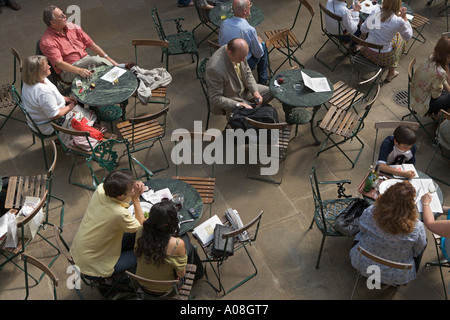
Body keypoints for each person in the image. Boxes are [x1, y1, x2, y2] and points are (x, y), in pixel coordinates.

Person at [70, 171, 146, 280]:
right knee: (146, 251)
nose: (135, 188)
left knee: (136, 238)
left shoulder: (101, 189)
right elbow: (142, 227)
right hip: (92, 265)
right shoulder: (119, 213)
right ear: (120, 195)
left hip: (82, 250)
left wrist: (133, 184)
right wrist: (135, 199)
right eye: (132, 188)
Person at [349, 181, 427, 285]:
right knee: (424, 242)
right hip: (397, 275)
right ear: (411, 204)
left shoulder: (370, 212)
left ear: (386, 196)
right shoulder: (417, 227)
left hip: (362, 263)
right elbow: (417, 250)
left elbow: (362, 230)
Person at [39, 5, 132, 83]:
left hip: (86, 60)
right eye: (61, 16)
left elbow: (91, 44)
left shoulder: (72, 27)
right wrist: (79, 71)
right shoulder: (47, 41)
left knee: (98, 65)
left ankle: (117, 73)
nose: (65, 16)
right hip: (69, 70)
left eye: (63, 13)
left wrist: (109, 58)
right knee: (96, 61)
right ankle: (122, 71)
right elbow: (59, 64)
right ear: (52, 22)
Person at [134, 199, 203, 294]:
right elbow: (181, 274)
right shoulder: (177, 244)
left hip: (142, 283)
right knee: (188, 245)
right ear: (168, 224)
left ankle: (199, 273)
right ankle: (198, 274)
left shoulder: (141, 230)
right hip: (166, 290)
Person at [206, 38, 273, 118]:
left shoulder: (239, 53)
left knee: (271, 92)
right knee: (253, 116)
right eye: (240, 58)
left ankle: (256, 112)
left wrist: (255, 92)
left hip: (244, 90)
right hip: (231, 98)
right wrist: (239, 104)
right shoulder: (215, 69)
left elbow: (248, 74)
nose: (244, 60)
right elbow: (215, 98)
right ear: (230, 53)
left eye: (245, 57)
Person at [21, 55, 78, 135]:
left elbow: (53, 94)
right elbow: (55, 115)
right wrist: (72, 105)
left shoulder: (34, 79)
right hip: (50, 125)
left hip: (38, 120)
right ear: (37, 72)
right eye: (45, 66)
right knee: (87, 113)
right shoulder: (42, 91)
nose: (49, 66)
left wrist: (65, 98)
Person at [359, 0, 412, 82]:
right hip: (383, 59)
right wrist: (405, 18)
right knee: (401, 39)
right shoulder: (399, 21)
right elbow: (408, 36)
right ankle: (391, 73)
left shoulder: (375, 12)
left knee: (394, 36)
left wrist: (376, 27)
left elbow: (363, 29)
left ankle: (391, 73)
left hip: (366, 51)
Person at [218, 0, 268, 85]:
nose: (251, 7)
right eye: (249, 5)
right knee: (263, 47)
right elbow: (258, 54)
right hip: (242, 65)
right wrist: (258, 43)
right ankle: (263, 80)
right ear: (245, 11)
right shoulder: (249, 30)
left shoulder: (224, 23)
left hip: (225, 60)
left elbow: (220, 42)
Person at [410, 35, 450, 117]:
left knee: (447, 94)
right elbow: (435, 95)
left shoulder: (431, 56)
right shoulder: (439, 73)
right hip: (423, 105)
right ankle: (443, 118)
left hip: (415, 95)